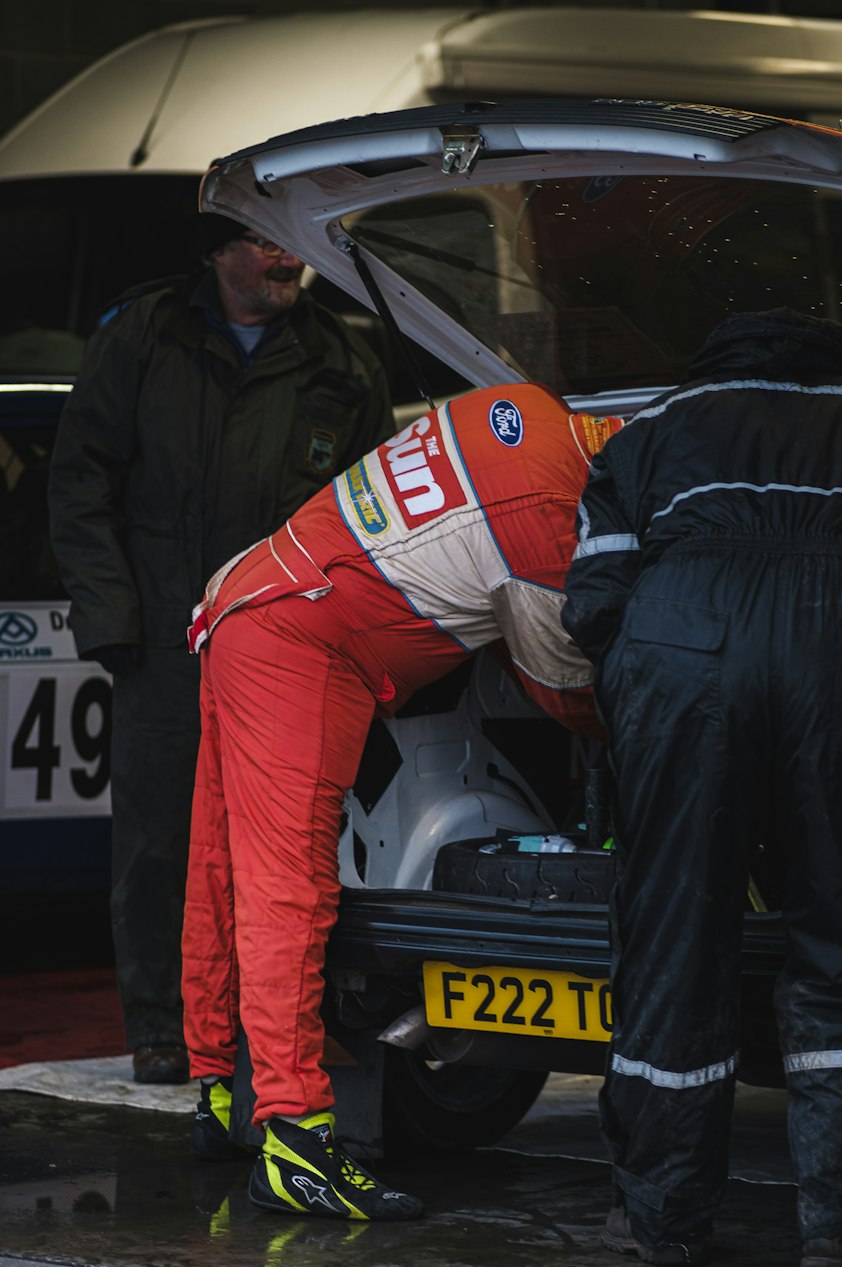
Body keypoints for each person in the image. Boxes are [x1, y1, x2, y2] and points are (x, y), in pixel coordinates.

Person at [562, 307, 842, 1267]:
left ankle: (659, 1217)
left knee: (673, 930)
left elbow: (592, 606)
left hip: (682, 647)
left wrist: (656, 697)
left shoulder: (651, 426)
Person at [181, 383, 622, 1221]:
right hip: (303, 640)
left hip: (248, 593)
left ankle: (216, 1090)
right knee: (290, 892)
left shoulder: (518, 405)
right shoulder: (546, 518)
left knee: (220, 861)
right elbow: (567, 691)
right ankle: (295, 1139)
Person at [48, 214, 394, 1085]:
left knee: (279, 852)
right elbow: (80, 480)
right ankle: (162, 1024)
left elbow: (374, 515)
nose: (286, 259)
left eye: (293, 244)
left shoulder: (342, 363)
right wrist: (112, 622)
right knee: (158, 847)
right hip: (164, 643)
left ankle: (258, 1030)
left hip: (282, 648)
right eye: (264, 242)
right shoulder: (144, 335)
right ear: (214, 250)